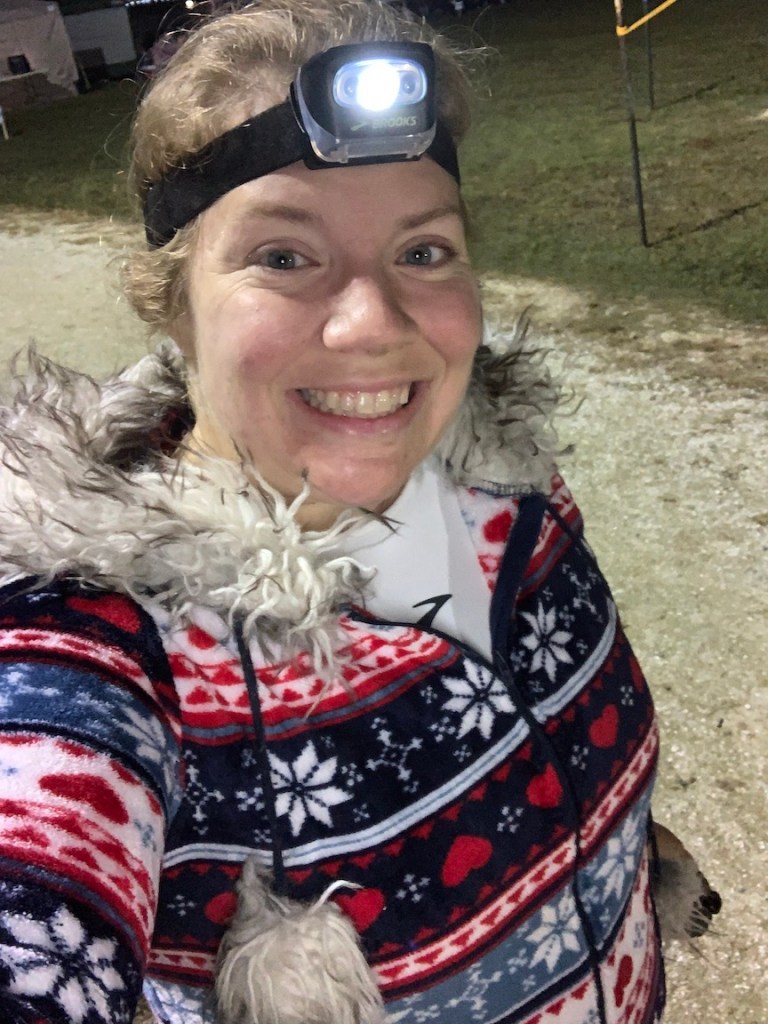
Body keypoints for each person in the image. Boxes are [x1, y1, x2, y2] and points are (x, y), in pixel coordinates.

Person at [0, 1, 716, 1021]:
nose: (372, 323)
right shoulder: (97, 650)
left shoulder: (515, 486)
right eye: (284, 257)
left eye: (422, 252)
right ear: (170, 301)